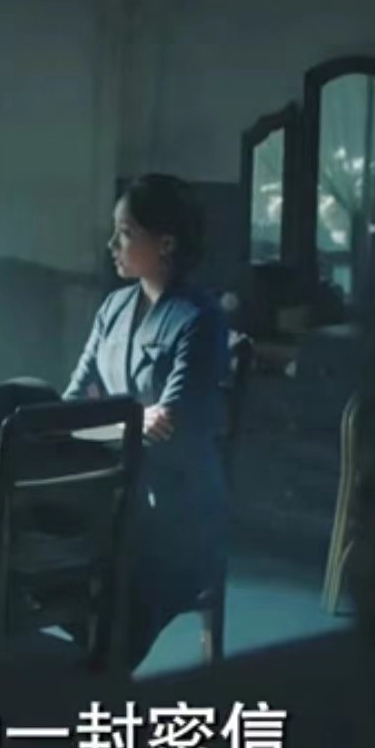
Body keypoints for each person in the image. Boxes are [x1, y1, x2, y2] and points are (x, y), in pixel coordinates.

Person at [59, 174, 231, 671]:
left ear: (166, 243)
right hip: (113, 498)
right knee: (23, 563)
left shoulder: (200, 319)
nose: (112, 245)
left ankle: (100, 691)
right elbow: (71, 408)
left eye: (126, 232)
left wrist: (108, 421)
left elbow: (169, 432)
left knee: (119, 606)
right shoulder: (113, 308)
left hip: (179, 515)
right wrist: (132, 420)